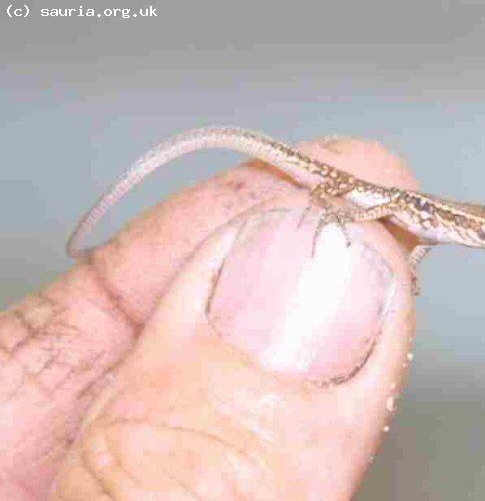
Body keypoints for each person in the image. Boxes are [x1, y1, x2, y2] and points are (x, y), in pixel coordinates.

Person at [0, 136, 418, 500]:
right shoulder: (424, 213)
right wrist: (353, 215)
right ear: (481, 232)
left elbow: (414, 228)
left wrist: (410, 257)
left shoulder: (433, 225)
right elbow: (396, 202)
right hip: (345, 189)